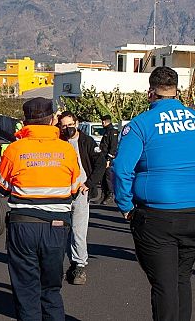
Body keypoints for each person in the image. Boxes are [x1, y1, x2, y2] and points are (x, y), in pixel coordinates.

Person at [112, 67, 195, 321]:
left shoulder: (140, 124)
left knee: (164, 284)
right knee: (182, 278)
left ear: (150, 92)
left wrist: (125, 206)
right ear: (177, 92)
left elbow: (121, 169)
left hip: (157, 215)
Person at [0, 97, 81, 321]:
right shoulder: (66, 150)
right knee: (51, 289)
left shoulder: (14, 149)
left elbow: (2, 187)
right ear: (52, 120)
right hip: (56, 227)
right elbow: (74, 189)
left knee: (26, 290)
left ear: (24, 122)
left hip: (23, 226)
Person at [57, 111, 106, 285]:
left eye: (70, 125)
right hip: (61, 192)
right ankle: (57, 265)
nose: (67, 128)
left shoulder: (87, 141)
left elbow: (100, 163)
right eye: (63, 125)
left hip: (80, 192)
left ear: (76, 124)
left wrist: (89, 183)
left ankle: (79, 265)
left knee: (78, 230)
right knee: (60, 230)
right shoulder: (58, 141)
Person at [96, 114, 119, 204]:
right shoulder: (107, 131)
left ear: (105, 122)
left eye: (102, 122)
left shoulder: (112, 132)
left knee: (108, 177)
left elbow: (113, 147)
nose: (102, 123)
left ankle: (110, 195)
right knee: (103, 177)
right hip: (103, 157)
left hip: (108, 158)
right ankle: (103, 195)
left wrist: (109, 159)